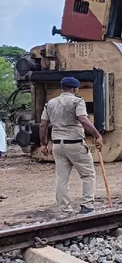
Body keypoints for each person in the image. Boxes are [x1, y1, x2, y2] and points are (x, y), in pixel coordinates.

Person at [39, 77, 103, 215]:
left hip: (57, 145)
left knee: (62, 178)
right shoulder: (77, 101)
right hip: (74, 144)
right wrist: (97, 135)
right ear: (74, 89)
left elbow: (43, 124)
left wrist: (43, 144)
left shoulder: (50, 103)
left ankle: (65, 209)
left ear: (62, 88)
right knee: (88, 175)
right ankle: (87, 206)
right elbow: (83, 120)